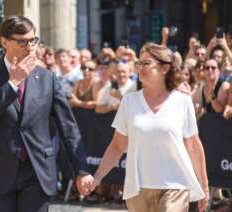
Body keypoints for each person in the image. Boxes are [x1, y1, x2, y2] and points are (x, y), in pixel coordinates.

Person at [0, 15, 93, 212]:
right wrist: (12, 83)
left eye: (33, 40)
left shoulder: (47, 78)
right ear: (4, 42)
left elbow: (67, 126)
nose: (29, 47)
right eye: (22, 41)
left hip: (37, 171)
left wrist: (81, 169)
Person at [82, 43, 209, 212]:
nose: (140, 68)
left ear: (165, 68)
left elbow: (193, 146)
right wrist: (97, 178)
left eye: (146, 63)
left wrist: (204, 187)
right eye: (138, 63)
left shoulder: (183, 101)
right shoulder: (129, 102)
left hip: (176, 186)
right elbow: (117, 146)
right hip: (138, 188)